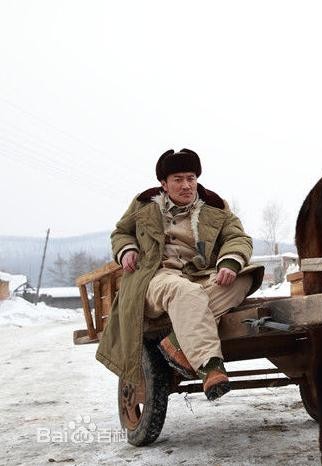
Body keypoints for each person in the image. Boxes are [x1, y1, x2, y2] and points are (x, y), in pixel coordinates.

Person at [96, 149, 263, 400]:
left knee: (243, 278)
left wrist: (229, 262)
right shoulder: (144, 204)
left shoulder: (215, 206)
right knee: (185, 292)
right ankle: (210, 367)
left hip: (200, 274)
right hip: (155, 276)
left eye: (191, 178)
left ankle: (178, 343)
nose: (186, 185)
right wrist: (127, 249)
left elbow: (238, 237)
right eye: (178, 179)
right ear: (163, 183)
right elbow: (121, 233)